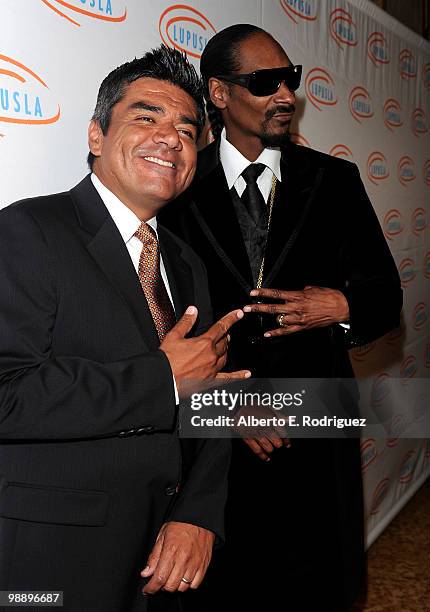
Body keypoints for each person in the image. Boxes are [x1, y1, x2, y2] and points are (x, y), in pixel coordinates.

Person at [159, 25, 403, 611]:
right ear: (219, 93)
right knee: (232, 586)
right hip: (220, 432)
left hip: (317, 422)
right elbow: (158, 319)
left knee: (320, 580)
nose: (286, 95)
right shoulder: (176, 187)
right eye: (265, 82)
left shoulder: (334, 180)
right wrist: (221, 407)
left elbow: (384, 295)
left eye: (290, 79)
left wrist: (341, 306)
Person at [0, 45, 250, 612]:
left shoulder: (186, 263)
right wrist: (160, 379)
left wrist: (198, 514)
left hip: (160, 559)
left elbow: (212, 398)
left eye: (187, 129)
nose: (170, 138)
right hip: (51, 561)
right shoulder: (28, 230)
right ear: (95, 136)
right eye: (147, 117)